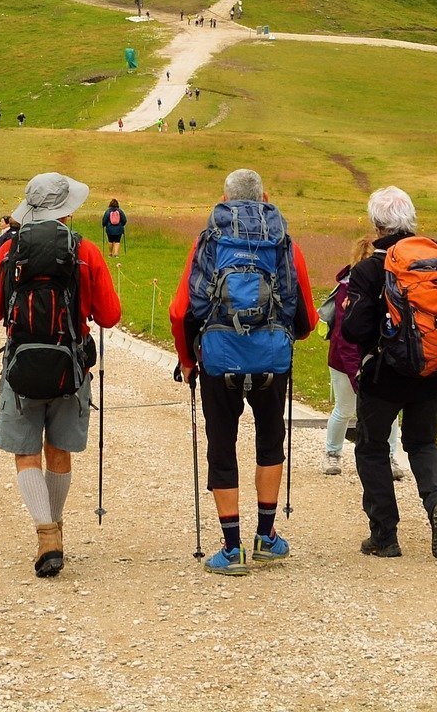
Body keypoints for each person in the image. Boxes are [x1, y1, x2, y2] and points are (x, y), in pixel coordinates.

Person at [0, 173, 121, 578]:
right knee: (59, 451)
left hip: (21, 366)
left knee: (26, 451)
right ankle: (56, 528)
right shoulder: (85, 250)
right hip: (72, 367)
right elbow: (110, 315)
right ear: (65, 210)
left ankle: (46, 533)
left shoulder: (9, 251)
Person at [170, 169, 317, 574]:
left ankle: (231, 549)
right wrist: (288, 335)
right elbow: (305, 315)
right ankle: (267, 538)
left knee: (222, 446)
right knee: (270, 443)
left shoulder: (209, 242)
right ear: (265, 197)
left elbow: (182, 310)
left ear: (224, 198)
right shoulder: (285, 243)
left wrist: (188, 359)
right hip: (272, 358)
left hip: (218, 359)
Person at [340, 187, 437, 560]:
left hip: (383, 379)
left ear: (376, 225)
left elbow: (354, 330)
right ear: (412, 220)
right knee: (422, 444)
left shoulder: (370, 267)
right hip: (434, 372)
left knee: (372, 448)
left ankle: (384, 537)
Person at [318, 244, 404, 479]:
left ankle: (389, 457)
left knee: (390, 410)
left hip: (376, 359)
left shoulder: (390, 289)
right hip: (342, 362)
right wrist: (358, 377)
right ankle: (332, 453)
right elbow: (344, 341)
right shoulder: (348, 291)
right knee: (345, 408)